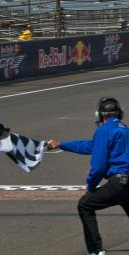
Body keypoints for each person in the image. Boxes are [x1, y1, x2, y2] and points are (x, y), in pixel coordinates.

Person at [48, 96, 129, 255]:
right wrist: (62, 144)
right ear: (119, 113)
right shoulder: (124, 129)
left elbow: (98, 167)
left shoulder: (103, 130)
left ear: (99, 115)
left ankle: (95, 250)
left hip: (118, 182)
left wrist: (91, 186)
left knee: (85, 205)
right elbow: (89, 145)